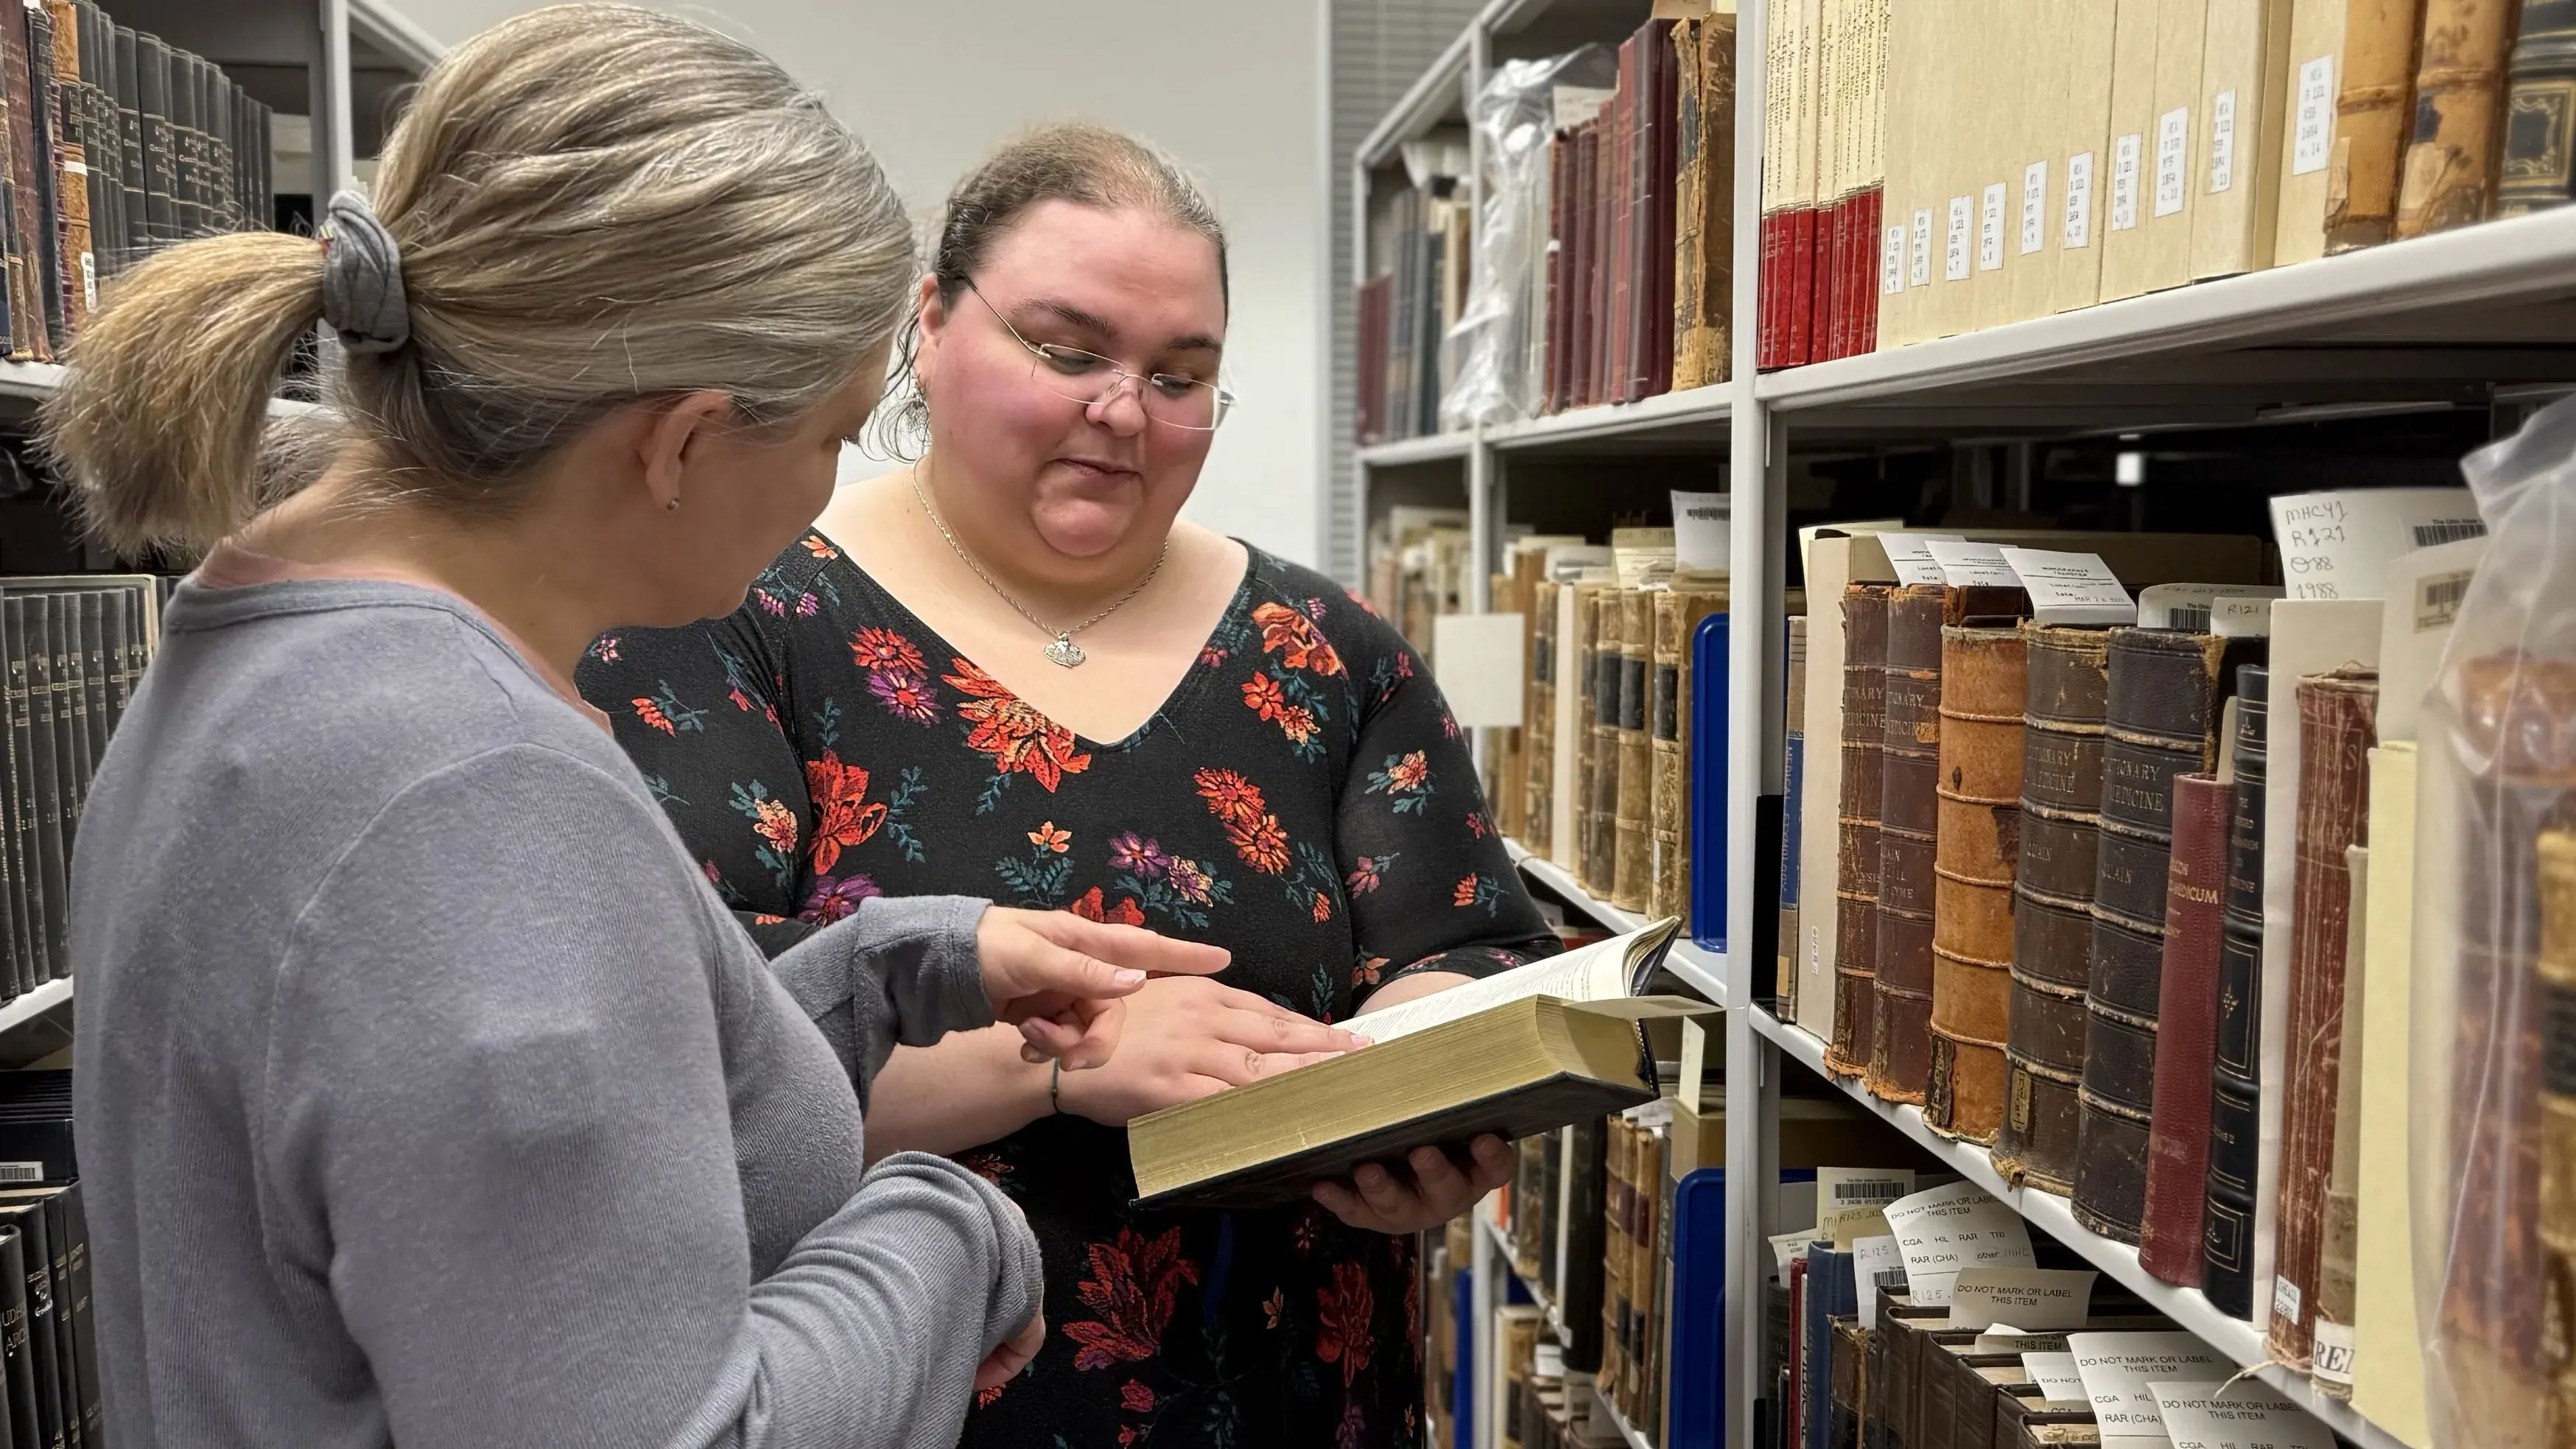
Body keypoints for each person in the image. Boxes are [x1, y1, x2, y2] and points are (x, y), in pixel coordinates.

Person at [47, 10, 1232, 1448]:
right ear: (679, 443)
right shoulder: (472, 799)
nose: (826, 492)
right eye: (833, 436)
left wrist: (889, 965)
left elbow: (492, 1141)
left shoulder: (266, 643)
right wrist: (955, 1230)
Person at [578, 122, 1561, 1448]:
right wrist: (1066, 1062)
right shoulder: (732, 615)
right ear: (930, 324)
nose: (1122, 411)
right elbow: (683, 1035)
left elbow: (1469, 940)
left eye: (1179, 374)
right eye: (1068, 350)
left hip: (1300, 1395)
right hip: (916, 1386)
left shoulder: (1328, 652)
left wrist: (1425, 1101)